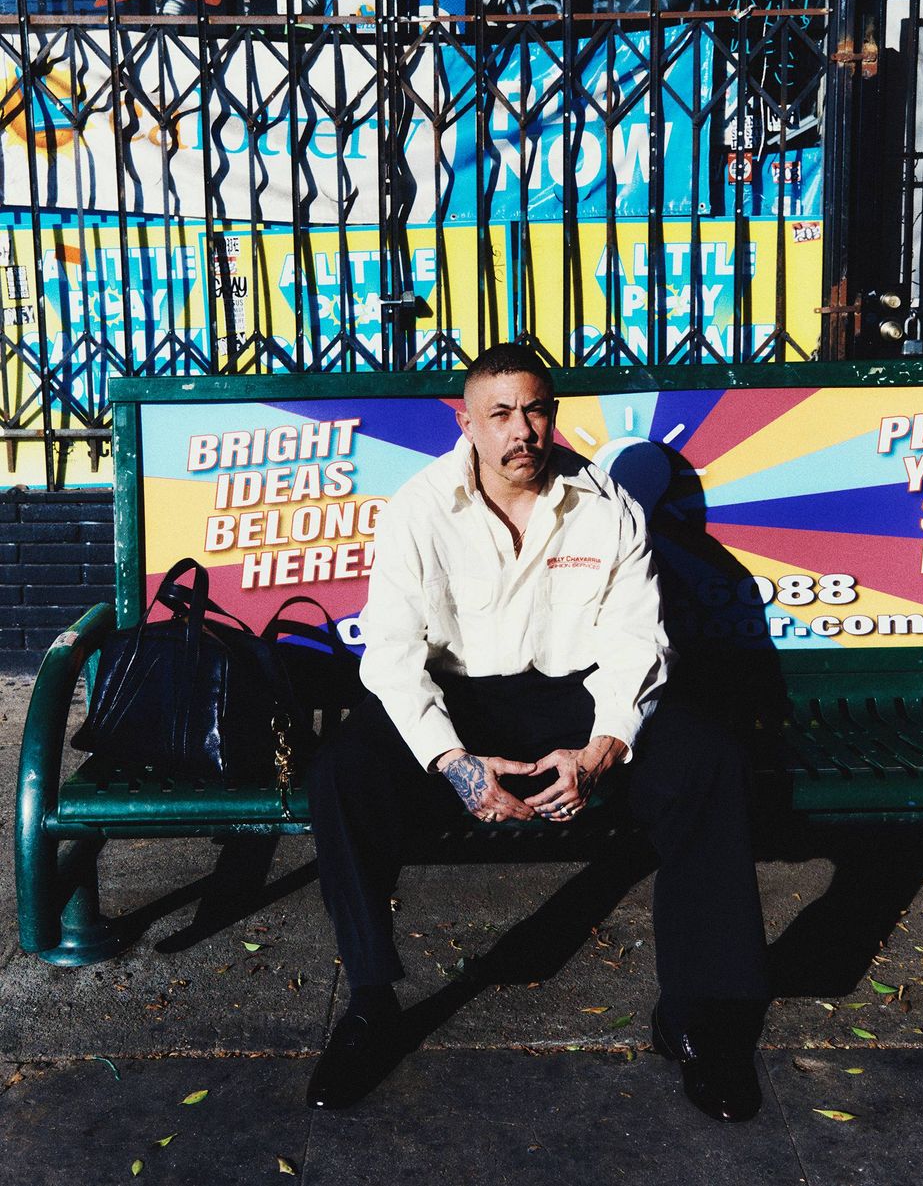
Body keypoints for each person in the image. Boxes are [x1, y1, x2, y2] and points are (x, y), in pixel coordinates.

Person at [307, 343, 770, 1120]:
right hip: (458, 704)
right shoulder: (419, 507)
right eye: (501, 414)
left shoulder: (605, 505)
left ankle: (696, 1012)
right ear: (469, 422)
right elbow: (389, 656)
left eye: (536, 410)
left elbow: (637, 643)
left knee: (708, 763)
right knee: (341, 775)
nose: (522, 430)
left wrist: (604, 746)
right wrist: (453, 762)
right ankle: (370, 1005)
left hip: (573, 701)